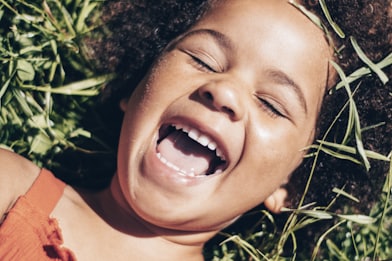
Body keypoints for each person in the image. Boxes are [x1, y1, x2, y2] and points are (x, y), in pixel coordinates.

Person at [0, 0, 390, 260]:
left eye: (272, 104)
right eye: (203, 59)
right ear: (137, 84)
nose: (224, 93)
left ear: (294, 183)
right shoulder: (11, 188)